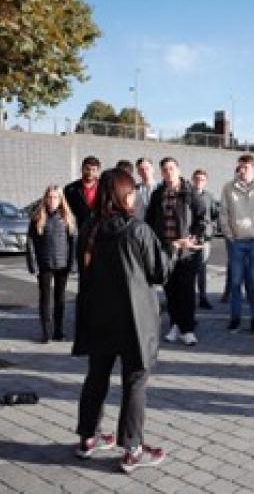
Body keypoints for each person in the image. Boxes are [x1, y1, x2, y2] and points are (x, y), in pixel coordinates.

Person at [73, 168, 194, 472]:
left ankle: (88, 438)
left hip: (97, 317)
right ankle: (133, 449)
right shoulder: (136, 229)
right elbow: (159, 272)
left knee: (96, 377)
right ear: (123, 195)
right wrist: (174, 248)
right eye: (131, 192)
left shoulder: (89, 228)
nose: (135, 197)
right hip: (133, 320)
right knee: (135, 381)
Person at [146, 157, 206, 346]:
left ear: (178, 170)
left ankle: (187, 329)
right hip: (166, 250)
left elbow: (203, 219)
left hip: (186, 251)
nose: (168, 172)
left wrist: (194, 238)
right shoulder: (157, 194)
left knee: (186, 290)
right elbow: (150, 221)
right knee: (170, 290)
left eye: (172, 168)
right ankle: (175, 325)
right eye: (164, 169)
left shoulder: (190, 193)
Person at [220, 154, 254, 334]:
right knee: (235, 283)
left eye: (246, 167)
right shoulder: (228, 188)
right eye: (240, 167)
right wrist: (229, 234)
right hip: (237, 241)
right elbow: (224, 213)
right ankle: (235, 319)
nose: (242, 171)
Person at [26, 186, 76, 343]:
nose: (52, 200)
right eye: (50, 197)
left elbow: (74, 242)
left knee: (60, 299)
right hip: (44, 263)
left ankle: (58, 331)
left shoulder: (67, 217)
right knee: (45, 298)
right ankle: (46, 332)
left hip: (62, 264)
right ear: (45, 198)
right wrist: (33, 264)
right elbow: (31, 243)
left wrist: (73, 264)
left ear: (61, 199)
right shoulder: (38, 217)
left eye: (55, 197)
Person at [191, 169, 218, 309]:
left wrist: (211, 228)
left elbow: (214, 214)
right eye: (196, 178)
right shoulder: (187, 195)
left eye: (202, 179)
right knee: (189, 269)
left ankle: (203, 297)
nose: (199, 181)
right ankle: (189, 298)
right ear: (192, 179)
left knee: (202, 268)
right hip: (190, 238)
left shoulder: (209, 196)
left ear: (206, 181)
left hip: (204, 239)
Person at [64, 156, 101, 230]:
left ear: (98, 171)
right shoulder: (70, 189)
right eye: (87, 169)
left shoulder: (104, 188)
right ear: (82, 169)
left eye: (93, 170)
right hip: (78, 230)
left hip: (99, 230)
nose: (90, 172)